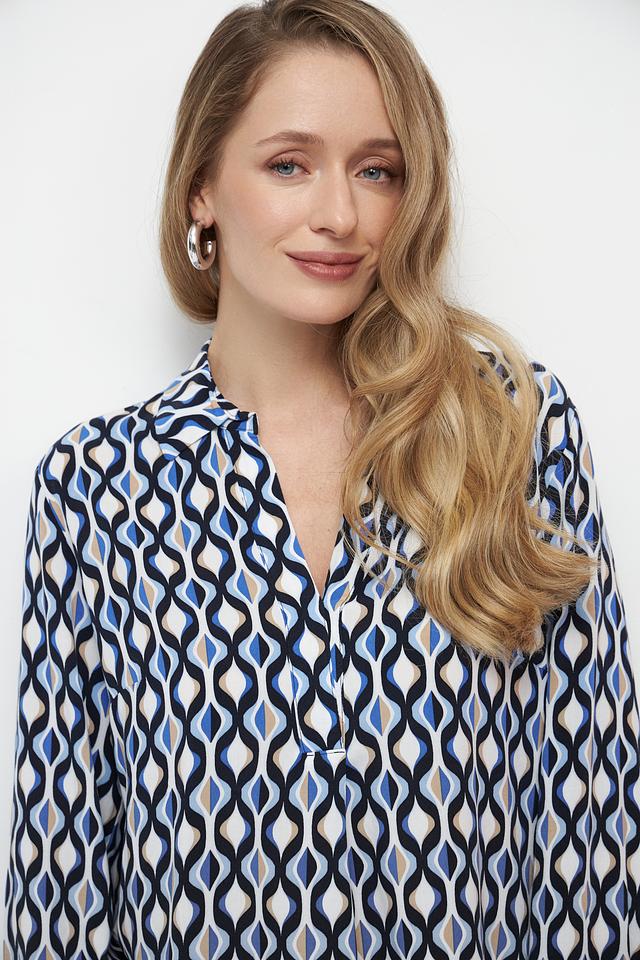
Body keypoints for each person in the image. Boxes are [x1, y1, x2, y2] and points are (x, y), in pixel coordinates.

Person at [3, 0, 639, 957]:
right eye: (289, 164)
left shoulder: (509, 430)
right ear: (201, 188)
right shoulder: (99, 487)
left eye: (377, 171)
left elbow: (592, 830)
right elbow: (62, 878)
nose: (340, 215)